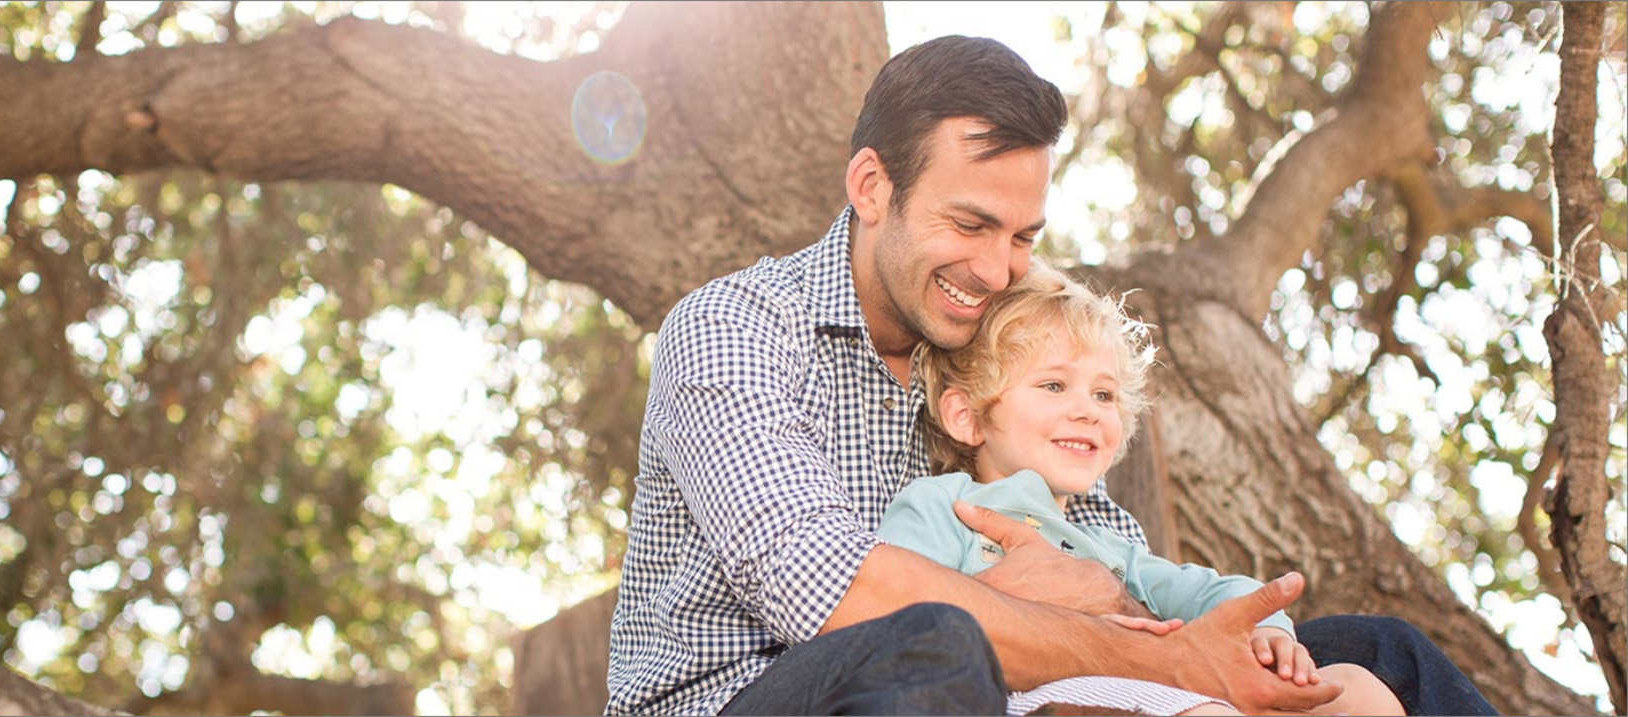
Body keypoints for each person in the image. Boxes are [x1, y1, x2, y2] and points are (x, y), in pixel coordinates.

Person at [606, 33, 1497, 716]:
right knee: (934, 643)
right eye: (971, 223)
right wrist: (1157, 656)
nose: (998, 268)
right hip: (740, 698)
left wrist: (1189, 631)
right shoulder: (737, 328)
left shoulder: (992, 341)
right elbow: (829, 591)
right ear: (872, 187)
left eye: (1023, 236)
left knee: (1378, 655)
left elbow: (1101, 561)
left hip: (1006, 676)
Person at [876, 265, 1403, 715]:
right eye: (1054, 385)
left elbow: (1212, 593)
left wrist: (1270, 635)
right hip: (1026, 696)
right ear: (967, 417)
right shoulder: (944, 504)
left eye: (1104, 394)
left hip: (1157, 691)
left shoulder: (1110, 549)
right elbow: (891, 614)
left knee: (1358, 691)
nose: (1088, 409)